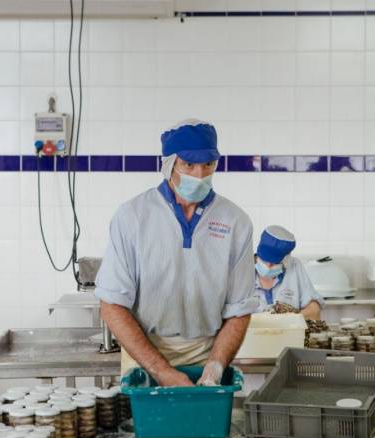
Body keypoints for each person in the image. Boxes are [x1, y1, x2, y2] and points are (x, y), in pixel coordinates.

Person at [94, 119, 258, 387]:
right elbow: (112, 305)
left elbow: (239, 309)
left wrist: (215, 368)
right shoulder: (133, 217)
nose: (200, 174)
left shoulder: (235, 222)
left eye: (208, 164)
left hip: (207, 355)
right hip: (143, 360)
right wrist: (161, 371)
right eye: (188, 165)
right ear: (168, 164)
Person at [253, 225, 324, 321]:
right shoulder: (240, 270)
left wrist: (289, 320)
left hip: (289, 333)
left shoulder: (294, 266)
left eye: (274, 262)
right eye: (264, 260)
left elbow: (314, 310)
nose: (268, 266)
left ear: (285, 260)